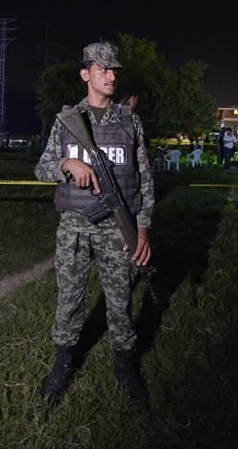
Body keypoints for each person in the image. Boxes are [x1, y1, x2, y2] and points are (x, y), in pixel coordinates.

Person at [34, 42, 154, 411]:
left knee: (120, 303)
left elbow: (145, 176)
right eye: (103, 69)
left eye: (115, 70)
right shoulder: (68, 121)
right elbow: (42, 169)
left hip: (119, 227)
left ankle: (126, 368)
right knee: (69, 299)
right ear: (86, 74)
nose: (111, 75)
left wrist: (143, 229)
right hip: (74, 226)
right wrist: (68, 165)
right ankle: (63, 365)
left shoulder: (129, 120)